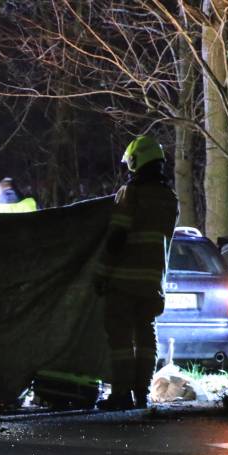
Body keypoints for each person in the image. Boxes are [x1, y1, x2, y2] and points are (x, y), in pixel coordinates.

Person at [94, 135, 179, 411]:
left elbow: (117, 236)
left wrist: (102, 272)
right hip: (153, 282)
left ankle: (120, 394)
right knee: (146, 337)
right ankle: (141, 394)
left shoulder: (130, 193)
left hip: (123, 280)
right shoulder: (170, 198)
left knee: (120, 339)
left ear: (135, 161)